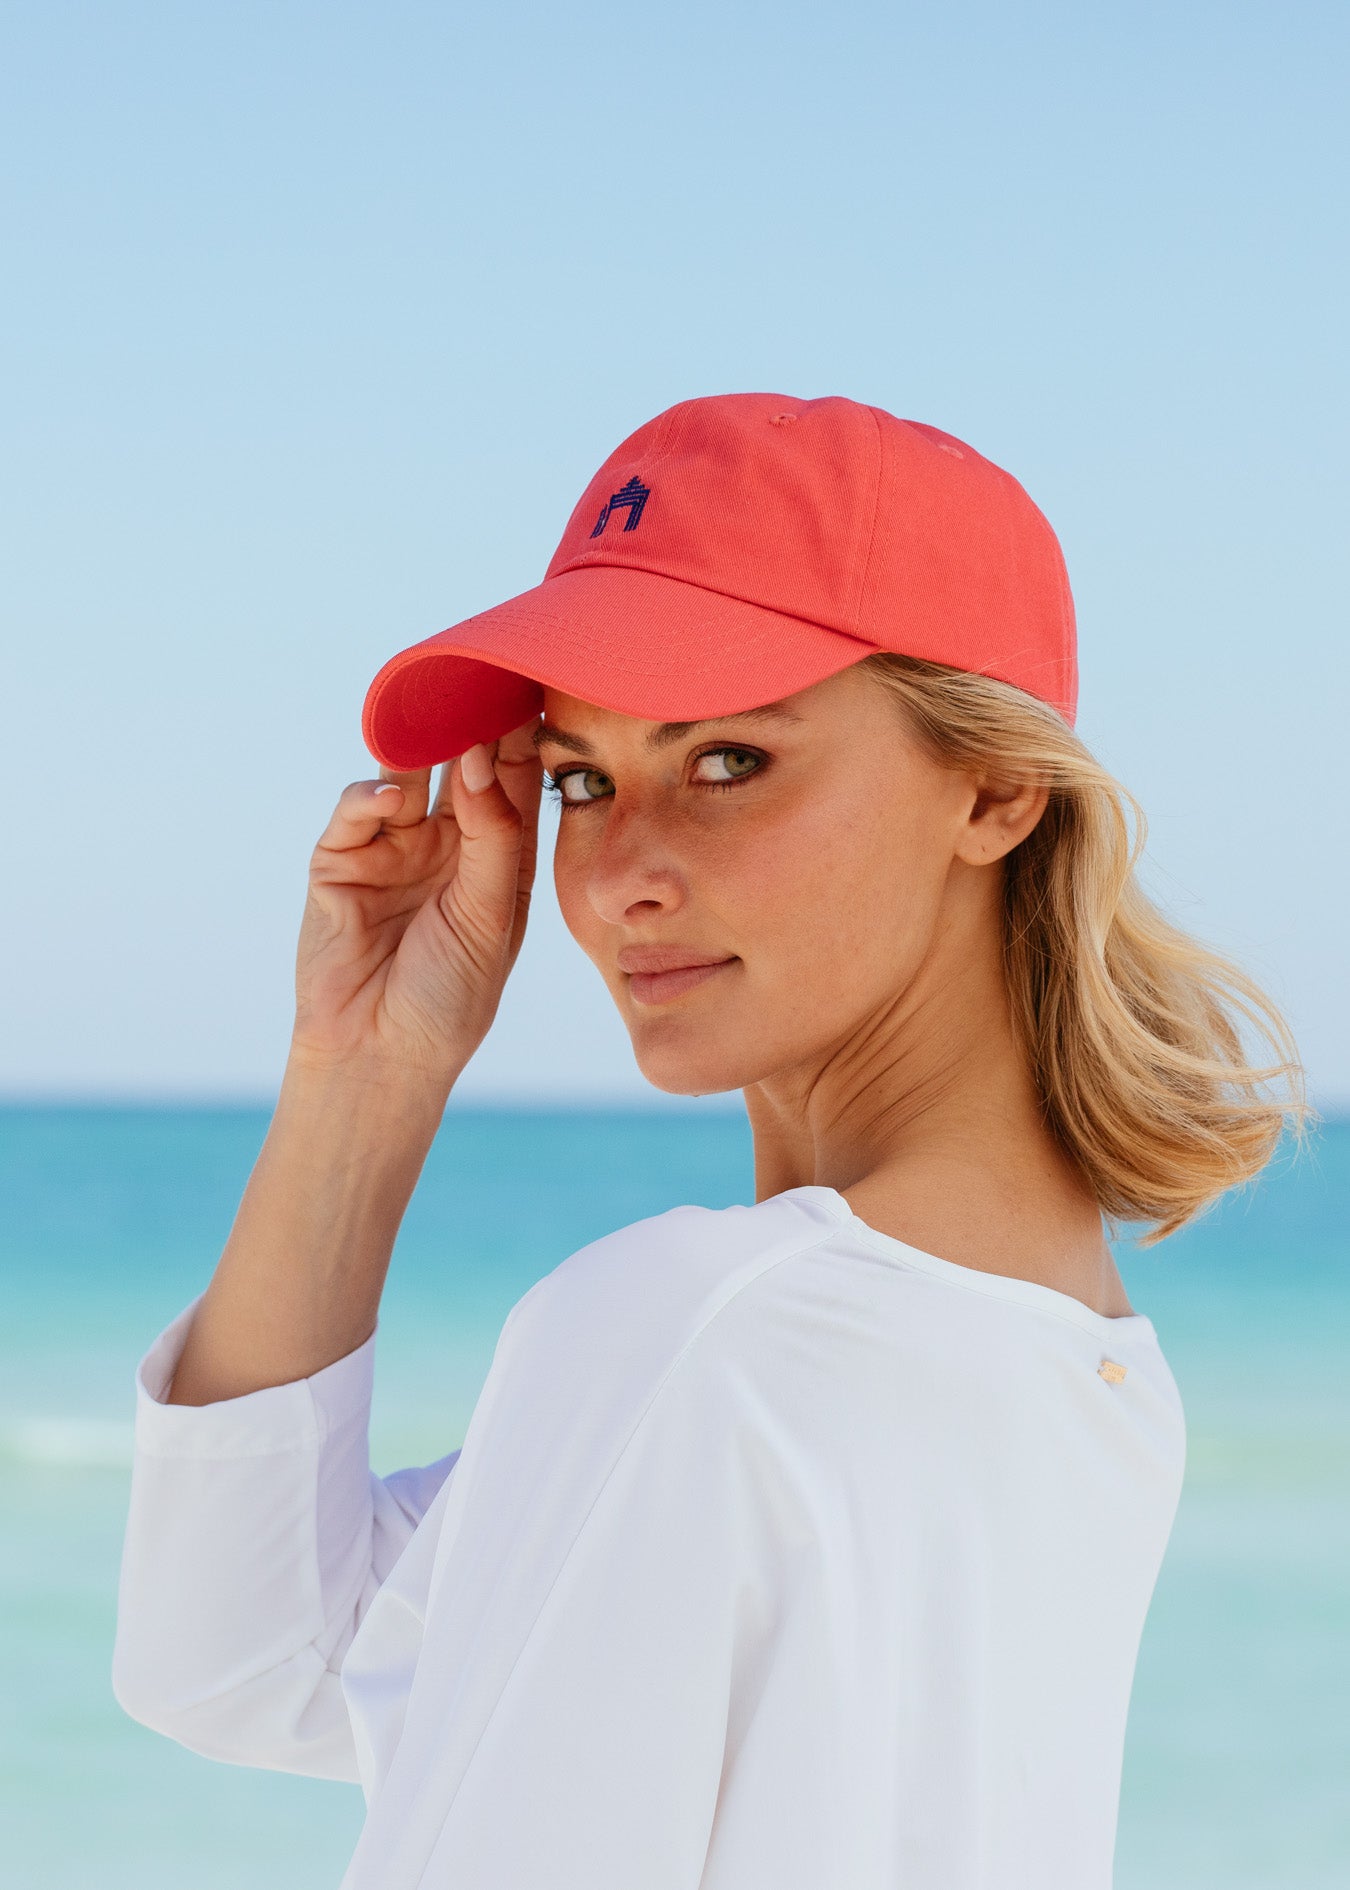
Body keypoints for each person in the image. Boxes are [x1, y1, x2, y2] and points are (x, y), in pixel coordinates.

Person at [111, 393, 1307, 1889]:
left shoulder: (703, 1334)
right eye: (579, 779)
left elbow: (245, 1667)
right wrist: (364, 1065)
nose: (619, 876)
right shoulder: (1085, 1364)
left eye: (728, 759)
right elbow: (259, 1657)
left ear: (997, 788)